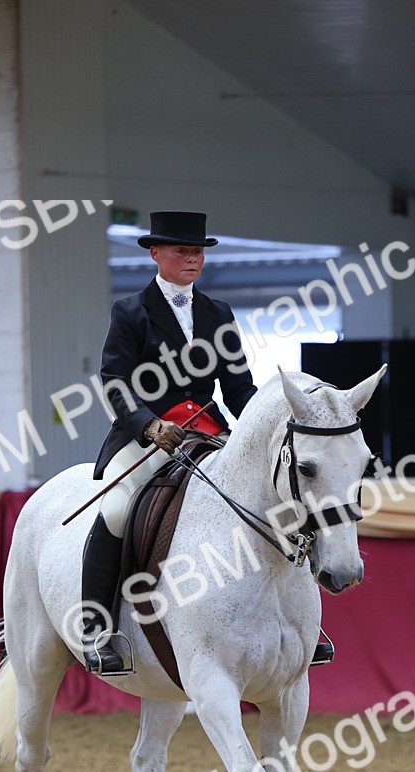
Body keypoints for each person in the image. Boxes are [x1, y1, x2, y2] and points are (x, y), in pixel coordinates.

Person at [81, 209, 333, 676]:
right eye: (182, 251)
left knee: (278, 497)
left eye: (197, 252)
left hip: (206, 430)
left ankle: (301, 622)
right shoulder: (130, 312)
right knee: (116, 511)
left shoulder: (218, 313)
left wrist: (268, 425)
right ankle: (97, 628)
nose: (192, 259)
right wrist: (149, 425)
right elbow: (114, 379)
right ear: (156, 254)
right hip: (149, 436)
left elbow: (238, 388)